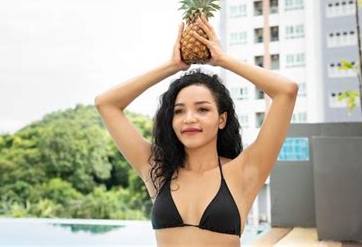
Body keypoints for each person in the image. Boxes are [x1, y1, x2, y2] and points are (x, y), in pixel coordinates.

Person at [95, 15, 298, 246]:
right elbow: (106, 104)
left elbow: (286, 91)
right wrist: (171, 66)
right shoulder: (158, 170)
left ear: (222, 119)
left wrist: (223, 60)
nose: (189, 119)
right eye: (179, 111)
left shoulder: (245, 171)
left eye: (202, 109)